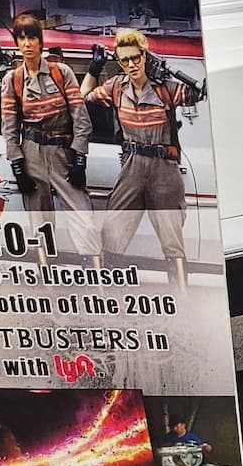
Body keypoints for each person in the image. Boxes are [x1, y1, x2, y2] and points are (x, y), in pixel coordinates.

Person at [85, 29, 201, 280]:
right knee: (113, 230)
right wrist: (94, 69)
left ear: (144, 56)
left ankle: (183, 299)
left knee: (172, 237)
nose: (131, 64)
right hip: (132, 166)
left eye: (136, 58)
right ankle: (112, 298)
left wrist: (169, 71)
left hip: (163, 167)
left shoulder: (166, 89)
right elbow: (85, 95)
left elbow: (199, 93)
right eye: (124, 60)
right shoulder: (116, 87)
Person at [0, 14, 99, 262]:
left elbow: (80, 116)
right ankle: (48, 284)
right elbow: (9, 126)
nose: (27, 44)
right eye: (21, 38)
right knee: (40, 221)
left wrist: (79, 157)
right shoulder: (13, 79)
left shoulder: (60, 71)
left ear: (40, 41)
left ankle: (98, 286)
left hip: (62, 152)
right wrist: (17, 165)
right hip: (32, 152)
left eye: (32, 37)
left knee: (84, 218)